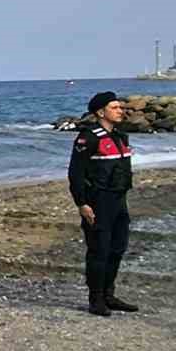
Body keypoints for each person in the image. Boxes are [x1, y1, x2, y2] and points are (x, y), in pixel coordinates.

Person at [68, 91, 138, 317]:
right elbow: (76, 173)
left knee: (118, 248)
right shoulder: (88, 138)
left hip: (119, 200)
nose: (120, 111)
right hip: (98, 202)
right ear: (101, 112)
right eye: (115, 108)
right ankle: (96, 299)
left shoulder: (120, 136)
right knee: (99, 250)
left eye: (120, 107)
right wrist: (82, 203)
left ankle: (109, 294)